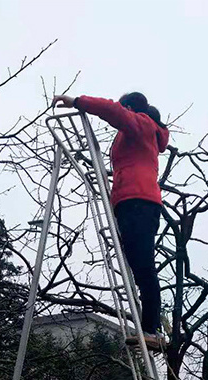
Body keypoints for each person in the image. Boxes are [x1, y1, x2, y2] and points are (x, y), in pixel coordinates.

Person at [52, 91, 170, 351]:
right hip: (133, 202)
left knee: (144, 267)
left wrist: (77, 102)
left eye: (123, 106)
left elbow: (114, 112)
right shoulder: (140, 135)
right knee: (140, 267)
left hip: (138, 203)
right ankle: (150, 327)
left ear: (129, 107)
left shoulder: (141, 125)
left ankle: (152, 329)